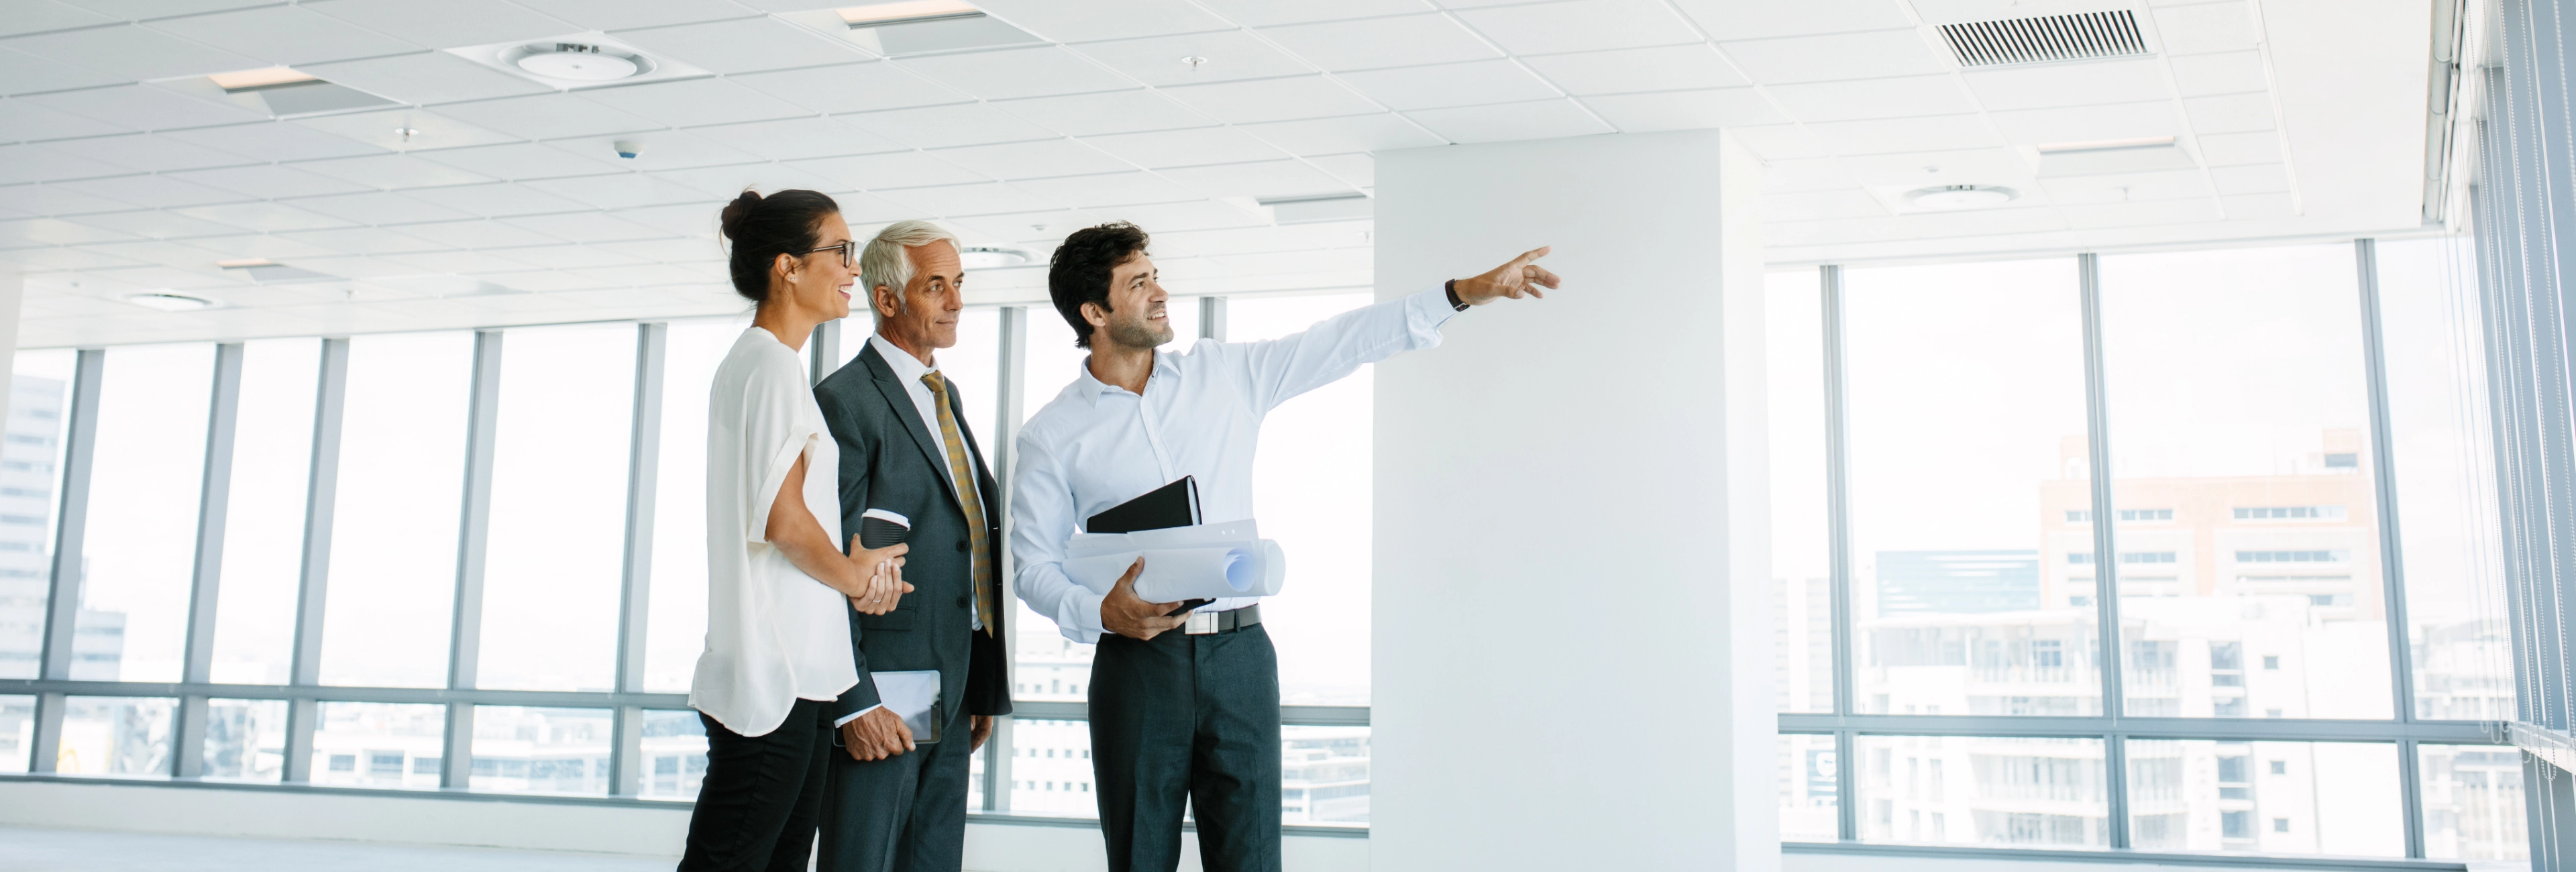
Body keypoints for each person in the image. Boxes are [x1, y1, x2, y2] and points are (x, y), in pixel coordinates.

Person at [1010, 221, 1558, 872]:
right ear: (1094, 312)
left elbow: (1338, 343)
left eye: (1154, 274)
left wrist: (1460, 294)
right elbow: (1032, 566)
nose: (1161, 291)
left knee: (1253, 860)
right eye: (1139, 283)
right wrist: (1101, 611)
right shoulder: (1052, 434)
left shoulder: (1224, 375)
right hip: (1138, 666)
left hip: (1240, 658)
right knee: (1139, 858)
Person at [682, 188, 915, 872]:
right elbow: (784, 521)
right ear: (788, 265)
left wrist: (853, 567)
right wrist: (857, 579)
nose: (854, 268)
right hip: (771, 678)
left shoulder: (771, 367)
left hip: (803, 675)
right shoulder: (768, 365)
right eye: (841, 252)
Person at [811, 219, 1012, 871]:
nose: (956, 301)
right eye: (936, 286)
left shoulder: (942, 394)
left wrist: (979, 680)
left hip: (951, 689)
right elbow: (824, 565)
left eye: (957, 284)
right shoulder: (845, 401)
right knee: (864, 859)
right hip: (882, 691)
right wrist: (854, 702)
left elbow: (965, 539)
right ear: (887, 299)